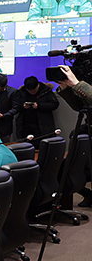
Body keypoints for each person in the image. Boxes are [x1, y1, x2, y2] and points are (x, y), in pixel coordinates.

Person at [54, 65, 92, 206]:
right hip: (87, 130)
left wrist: (76, 84)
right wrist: (65, 87)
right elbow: (79, 106)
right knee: (72, 169)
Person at [16, 76, 59, 145]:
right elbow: (16, 105)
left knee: (42, 146)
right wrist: (23, 106)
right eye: (29, 90)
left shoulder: (46, 91)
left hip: (42, 125)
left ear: (38, 85)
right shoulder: (22, 92)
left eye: (34, 90)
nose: (31, 92)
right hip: (25, 125)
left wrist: (39, 106)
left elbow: (54, 104)